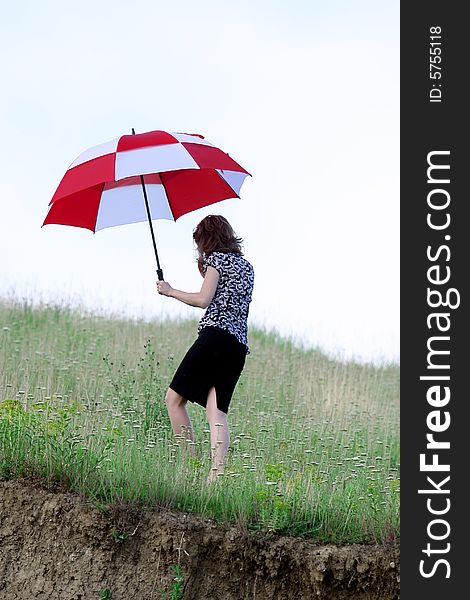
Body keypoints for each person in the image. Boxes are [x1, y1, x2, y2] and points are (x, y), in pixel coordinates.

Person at [156, 215, 254, 484]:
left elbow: (203, 300)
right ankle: (216, 477)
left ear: (207, 240)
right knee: (216, 412)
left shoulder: (217, 260)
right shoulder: (247, 267)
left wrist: (170, 290)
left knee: (174, 399)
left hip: (214, 339)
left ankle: (188, 467)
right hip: (236, 348)